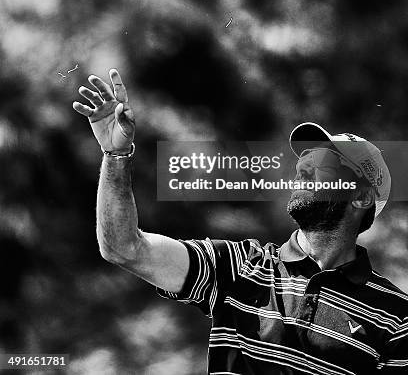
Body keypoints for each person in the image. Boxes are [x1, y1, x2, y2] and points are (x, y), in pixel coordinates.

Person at [73, 69, 408, 375]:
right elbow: (124, 248)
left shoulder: (397, 317)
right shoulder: (238, 266)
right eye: (304, 158)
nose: (302, 168)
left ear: (361, 198)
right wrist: (115, 156)